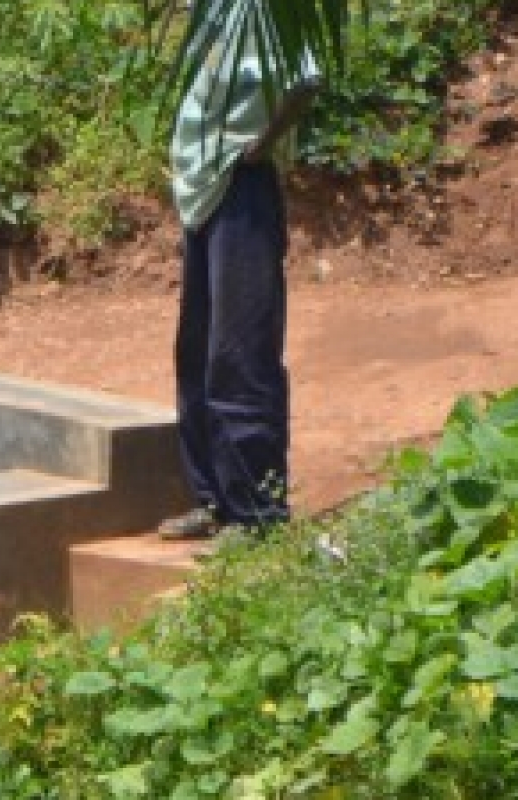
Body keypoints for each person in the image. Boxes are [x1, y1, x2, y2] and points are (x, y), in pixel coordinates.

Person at [159, 0, 322, 542]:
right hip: (201, 194)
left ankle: (256, 512)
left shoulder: (267, 10)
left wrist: (260, 146)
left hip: (241, 189)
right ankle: (211, 499)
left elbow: (307, 79)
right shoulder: (213, 12)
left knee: (241, 349)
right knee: (197, 349)